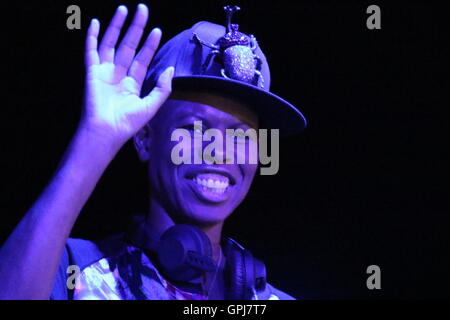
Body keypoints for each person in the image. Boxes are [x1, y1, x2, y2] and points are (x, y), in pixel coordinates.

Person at [0, 3, 306, 300]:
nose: (221, 152)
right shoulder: (71, 271)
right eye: (195, 129)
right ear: (145, 138)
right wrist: (94, 140)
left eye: (241, 136)